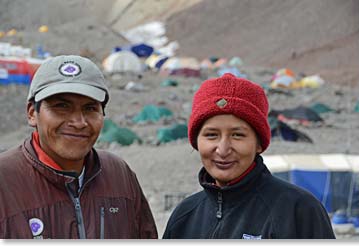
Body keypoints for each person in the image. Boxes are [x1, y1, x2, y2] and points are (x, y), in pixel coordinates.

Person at [0, 55, 158, 239]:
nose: (78, 122)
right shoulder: (5, 182)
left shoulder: (119, 174)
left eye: (90, 108)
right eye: (61, 106)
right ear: (32, 113)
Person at [163, 73, 335, 239]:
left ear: (259, 144)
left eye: (237, 135)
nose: (223, 150)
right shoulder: (184, 217)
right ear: (196, 141)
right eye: (211, 135)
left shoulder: (299, 211)